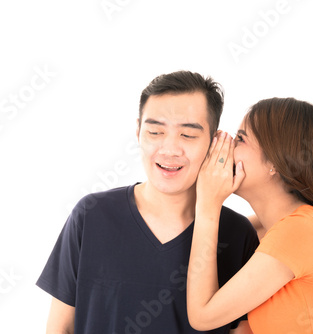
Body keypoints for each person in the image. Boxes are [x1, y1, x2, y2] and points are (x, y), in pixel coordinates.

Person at [36, 71, 259, 333]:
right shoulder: (92, 216)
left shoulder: (237, 235)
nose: (169, 149)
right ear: (138, 131)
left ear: (214, 143)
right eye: (155, 131)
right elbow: (60, 328)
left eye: (187, 135)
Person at [186, 97, 313, 333]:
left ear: (274, 163)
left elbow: (203, 316)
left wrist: (207, 202)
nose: (226, 147)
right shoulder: (269, 229)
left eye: (240, 139)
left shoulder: (299, 231)